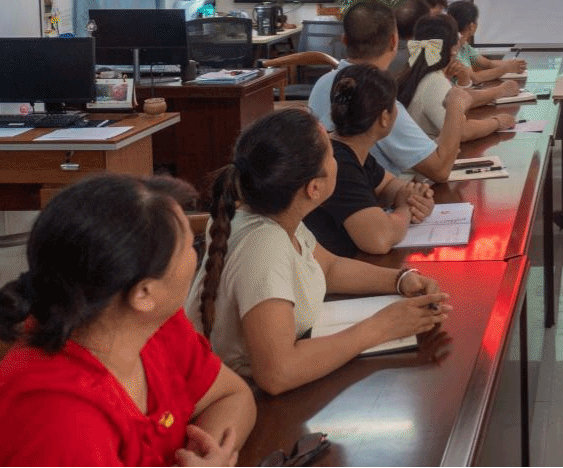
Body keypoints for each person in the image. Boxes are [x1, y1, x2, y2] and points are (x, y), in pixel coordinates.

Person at [187, 109, 452, 396]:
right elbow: (277, 373)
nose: (337, 157)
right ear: (314, 188)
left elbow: (328, 267)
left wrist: (400, 279)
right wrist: (381, 327)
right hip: (245, 401)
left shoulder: (276, 213)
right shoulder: (264, 246)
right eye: (332, 154)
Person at [0, 174, 256, 467]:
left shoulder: (157, 327)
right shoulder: (62, 421)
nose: (195, 255)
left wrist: (203, 459)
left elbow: (233, 396)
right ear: (144, 293)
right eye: (190, 246)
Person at [308, 0, 472, 183]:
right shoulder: (378, 100)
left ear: (344, 40)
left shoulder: (321, 83)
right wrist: (456, 106)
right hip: (375, 195)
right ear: (394, 41)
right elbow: (440, 169)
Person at [305, 64, 436, 256]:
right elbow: (379, 240)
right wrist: (406, 209)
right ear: (384, 118)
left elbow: (387, 185)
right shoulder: (337, 163)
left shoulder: (350, 149)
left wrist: (415, 197)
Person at [398, 15, 518, 142]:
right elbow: (461, 131)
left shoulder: (415, 71)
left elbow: (458, 107)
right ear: (453, 48)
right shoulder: (434, 81)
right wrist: (497, 122)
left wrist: (463, 83)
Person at [447, 0, 529, 84]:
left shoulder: (464, 45)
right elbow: (474, 78)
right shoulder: (453, 49)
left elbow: (487, 63)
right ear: (472, 26)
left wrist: (514, 65)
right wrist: (506, 68)